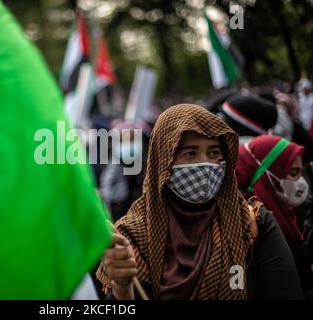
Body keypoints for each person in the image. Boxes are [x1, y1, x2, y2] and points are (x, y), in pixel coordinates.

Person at [96, 104, 303, 300]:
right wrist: (123, 288)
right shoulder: (133, 236)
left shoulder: (250, 223)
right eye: (190, 153)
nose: (206, 164)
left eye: (214, 153)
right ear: (163, 161)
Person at [236, 135, 313, 296]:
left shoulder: (292, 212)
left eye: (300, 172)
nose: (300, 181)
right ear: (268, 175)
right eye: (293, 173)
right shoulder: (253, 222)